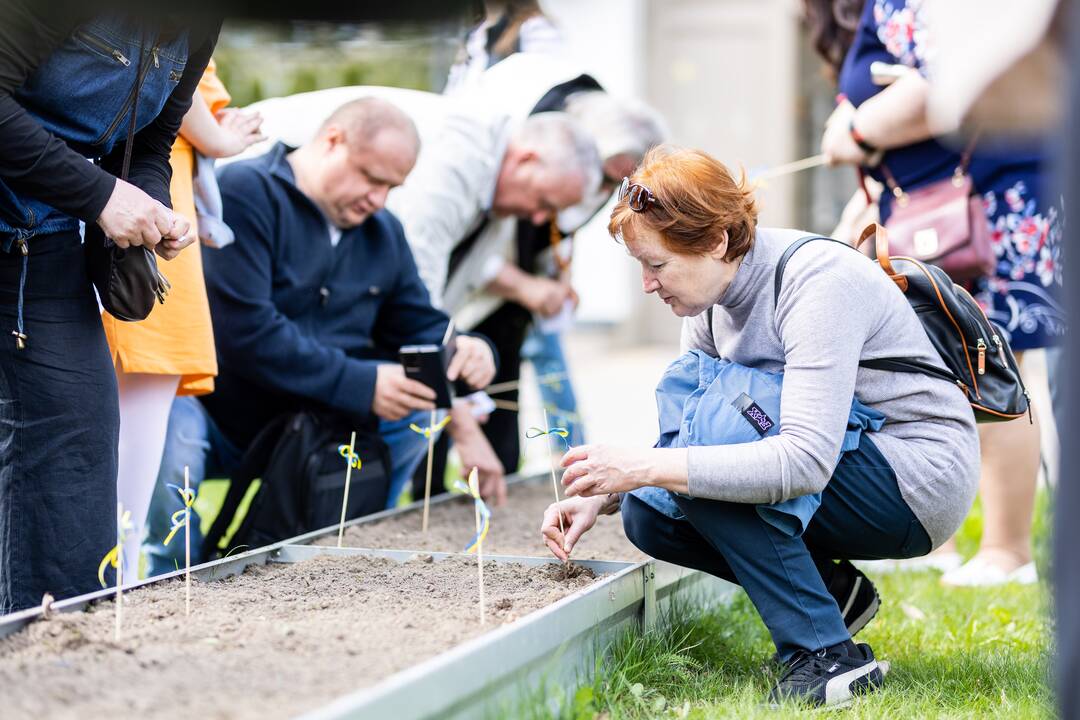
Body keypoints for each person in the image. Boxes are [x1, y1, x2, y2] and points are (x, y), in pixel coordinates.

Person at [540, 146, 980, 707]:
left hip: (914, 477)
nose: (648, 285)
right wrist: (608, 491)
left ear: (718, 241)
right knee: (648, 512)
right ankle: (828, 597)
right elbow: (690, 429)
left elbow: (801, 462)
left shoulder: (817, 282)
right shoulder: (705, 296)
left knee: (699, 468)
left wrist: (645, 466)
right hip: (845, 465)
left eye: (657, 265)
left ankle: (825, 658)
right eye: (641, 267)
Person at [143, 97, 497, 575]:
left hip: (321, 427)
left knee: (420, 408)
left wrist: (469, 347)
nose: (379, 199)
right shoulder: (245, 193)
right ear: (332, 141)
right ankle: (171, 576)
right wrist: (363, 384)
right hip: (221, 414)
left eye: (392, 187)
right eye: (372, 178)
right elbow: (245, 332)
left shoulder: (383, 231)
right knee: (168, 421)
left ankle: (356, 545)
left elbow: (416, 321)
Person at [819, 0, 1063, 585]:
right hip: (929, 201)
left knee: (997, 362)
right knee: (940, 366)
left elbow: (948, 81)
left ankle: (1007, 552)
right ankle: (942, 543)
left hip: (993, 197)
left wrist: (857, 128)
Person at [0, 2, 218, 612]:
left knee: (78, 450)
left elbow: (152, 141)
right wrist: (100, 196)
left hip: (39, 242)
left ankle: (58, 659)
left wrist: (151, 204)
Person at [108, 60, 264, 576]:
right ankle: (118, 570)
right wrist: (219, 139)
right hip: (140, 183)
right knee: (140, 392)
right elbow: (171, 74)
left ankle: (117, 570)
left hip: (141, 178)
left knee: (140, 397)